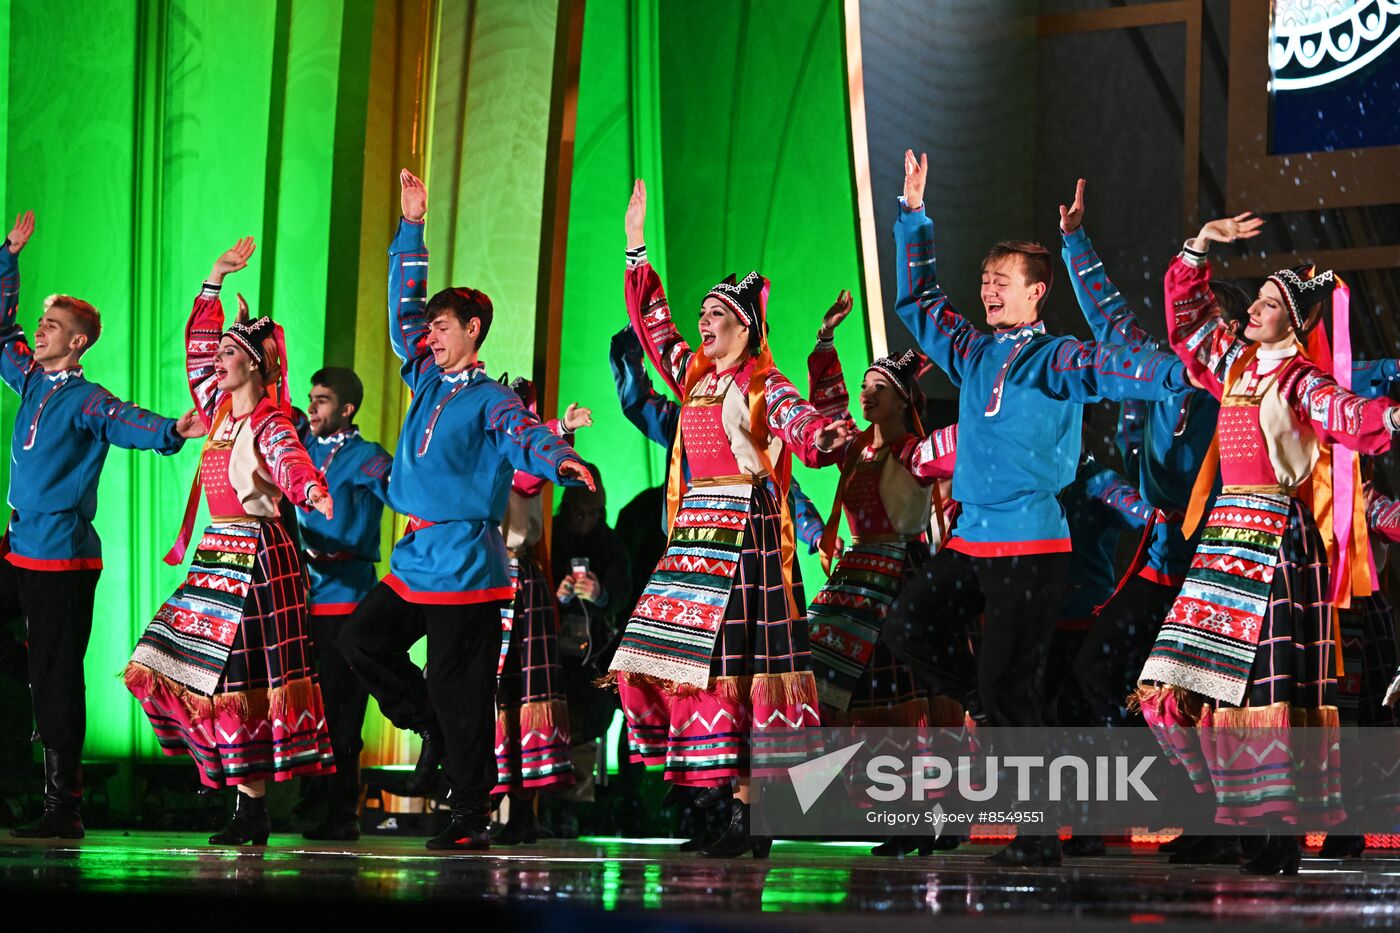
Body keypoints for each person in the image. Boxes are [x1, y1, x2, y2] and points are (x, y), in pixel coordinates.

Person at [884, 152, 1195, 866]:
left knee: (1010, 681)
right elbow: (920, 304)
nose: (988, 294)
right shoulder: (971, 351)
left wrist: (1181, 371)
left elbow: (1115, 364)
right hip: (971, 539)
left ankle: (1036, 832)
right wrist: (914, 218)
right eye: (985, 282)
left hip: (1031, 545)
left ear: (1037, 294)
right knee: (909, 629)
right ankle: (998, 712)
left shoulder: (1051, 358)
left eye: (1003, 284)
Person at [1134, 212, 1400, 875]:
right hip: (1225, 537)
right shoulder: (1234, 362)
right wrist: (1199, 243)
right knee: (1167, 689)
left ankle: (1272, 839)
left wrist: (1393, 413)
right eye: (1257, 297)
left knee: (1262, 702)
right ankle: (1224, 810)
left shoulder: (1301, 380)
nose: (1254, 307)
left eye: (1272, 304)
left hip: (1276, 543)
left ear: (1297, 322)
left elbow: (1355, 415)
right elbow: (1189, 320)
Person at [338, 170, 593, 852]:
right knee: (362, 639)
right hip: (417, 556)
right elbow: (402, 313)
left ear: (472, 329)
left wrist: (560, 458)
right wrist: (412, 225)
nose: (430, 335)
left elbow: (525, 437)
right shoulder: (424, 374)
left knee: (465, 689)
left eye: (443, 327)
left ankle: (472, 813)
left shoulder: (492, 400)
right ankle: (432, 727)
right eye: (431, 328)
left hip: (465, 564)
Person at [607, 179, 851, 859]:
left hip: (743, 532)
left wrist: (825, 439)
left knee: (731, 670)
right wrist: (636, 247)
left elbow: (802, 422)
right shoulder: (693, 376)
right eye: (704, 315)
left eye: (717, 316)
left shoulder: (763, 382)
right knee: (651, 663)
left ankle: (742, 811)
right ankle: (712, 798)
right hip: (693, 536)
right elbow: (654, 327)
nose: (704, 324)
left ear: (746, 327)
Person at [125, 236, 336, 846]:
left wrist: (311, 491)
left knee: (239, 678)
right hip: (218, 554)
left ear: (255, 364)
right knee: (162, 665)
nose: (215, 360)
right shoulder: (218, 410)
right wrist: (213, 279)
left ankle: (251, 808)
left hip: (258, 556)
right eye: (217, 353)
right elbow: (194, 355)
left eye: (228, 353)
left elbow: (288, 458)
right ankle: (234, 789)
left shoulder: (269, 420)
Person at [0, 210, 203, 839]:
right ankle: (24, 682)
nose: (41, 330)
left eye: (53, 326)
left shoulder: (87, 398)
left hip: (62, 557)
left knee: (58, 677)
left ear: (78, 342)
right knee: (35, 669)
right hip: (18, 546)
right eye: (42, 322)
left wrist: (172, 430)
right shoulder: (30, 379)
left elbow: (126, 420)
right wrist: (8, 257)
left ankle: (65, 807)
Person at [491, 379, 591, 845]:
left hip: (516, 582)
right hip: (480, 578)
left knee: (523, 693)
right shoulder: (481, 455)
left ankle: (523, 811)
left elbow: (532, 467)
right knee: (491, 697)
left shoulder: (519, 456)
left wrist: (561, 430)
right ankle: (488, 800)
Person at [296, 366, 392, 841]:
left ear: (347, 409)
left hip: (347, 601)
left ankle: (341, 812)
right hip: (299, 602)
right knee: (303, 706)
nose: (312, 407)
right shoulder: (299, 448)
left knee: (341, 709)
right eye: (310, 398)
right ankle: (307, 803)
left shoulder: (367, 457)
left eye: (323, 400)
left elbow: (403, 492)